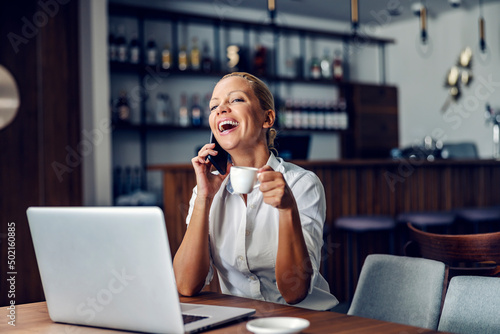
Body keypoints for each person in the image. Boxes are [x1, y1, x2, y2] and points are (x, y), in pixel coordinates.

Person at [172, 72, 338, 311]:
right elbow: (186, 285)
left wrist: (287, 209)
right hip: (244, 323)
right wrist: (203, 197)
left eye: (236, 100)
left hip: (307, 320)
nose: (221, 109)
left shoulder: (301, 183)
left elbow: (295, 293)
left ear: (267, 117)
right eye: (214, 106)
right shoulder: (208, 190)